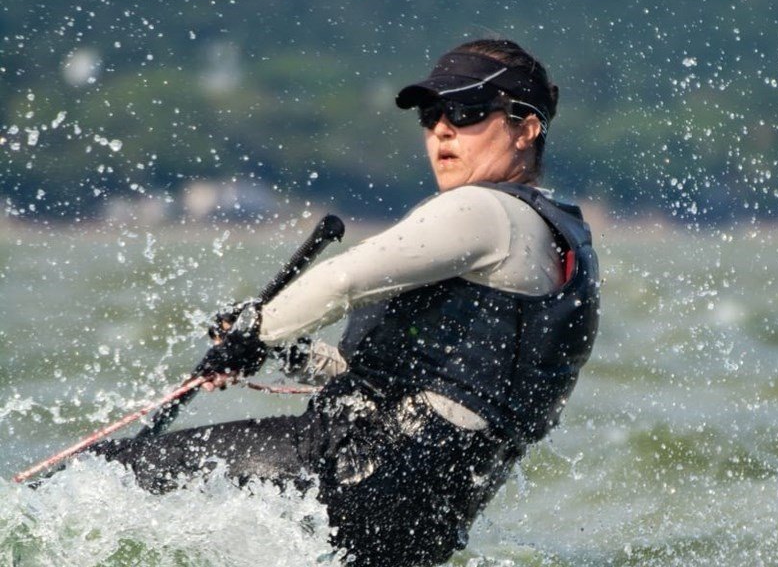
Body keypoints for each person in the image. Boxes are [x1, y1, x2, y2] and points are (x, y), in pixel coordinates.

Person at [92, 38, 600, 567]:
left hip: (358, 466)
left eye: (467, 111)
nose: (443, 130)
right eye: (431, 115)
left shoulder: (483, 211)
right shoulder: (559, 238)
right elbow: (436, 386)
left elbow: (342, 280)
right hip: (422, 518)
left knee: (110, 475)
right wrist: (295, 354)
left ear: (526, 127)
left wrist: (256, 332)